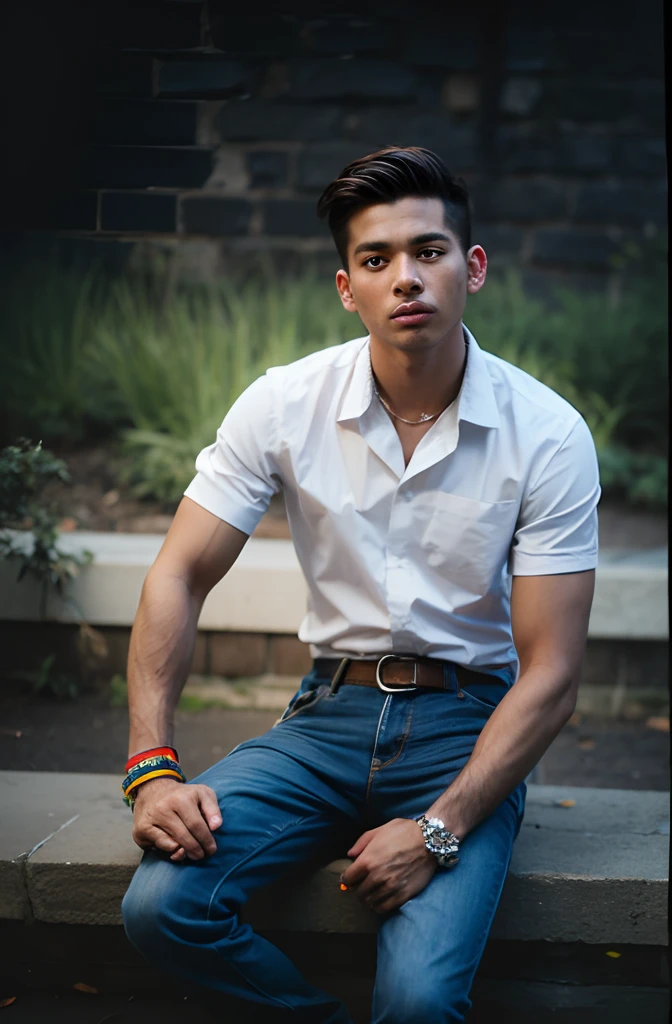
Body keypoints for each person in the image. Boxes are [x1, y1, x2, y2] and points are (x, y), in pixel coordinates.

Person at [121, 146, 599, 1023]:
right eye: (376, 261)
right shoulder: (284, 403)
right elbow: (179, 573)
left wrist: (438, 828)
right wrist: (151, 768)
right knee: (162, 908)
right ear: (348, 288)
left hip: (468, 728)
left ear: (473, 267)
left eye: (429, 251)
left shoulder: (549, 434)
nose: (405, 279)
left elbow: (552, 673)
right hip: (326, 721)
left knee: (418, 1001)